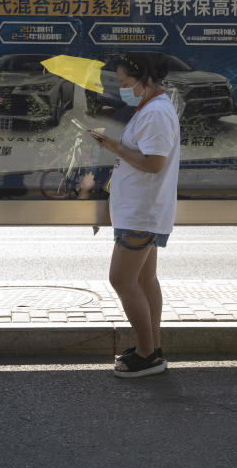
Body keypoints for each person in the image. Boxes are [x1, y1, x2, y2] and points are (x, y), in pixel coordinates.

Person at [89, 52, 180, 378]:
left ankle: (147, 354)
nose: (122, 86)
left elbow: (154, 163)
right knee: (143, 279)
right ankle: (151, 346)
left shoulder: (156, 113)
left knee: (121, 279)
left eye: (126, 81)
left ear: (147, 79)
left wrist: (113, 147)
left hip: (142, 211)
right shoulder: (151, 108)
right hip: (141, 210)